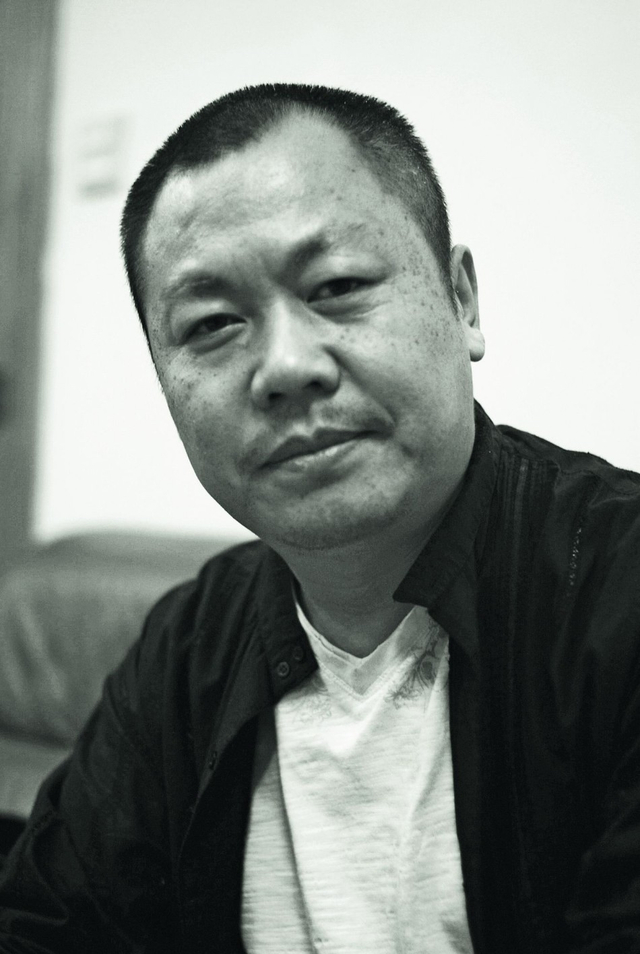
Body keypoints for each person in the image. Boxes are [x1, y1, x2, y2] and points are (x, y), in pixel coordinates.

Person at [1, 82, 639, 954]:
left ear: (462, 300)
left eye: (336, 285)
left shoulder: (614, 590)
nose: (287, 367)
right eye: (212, 323)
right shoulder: (189, 648)